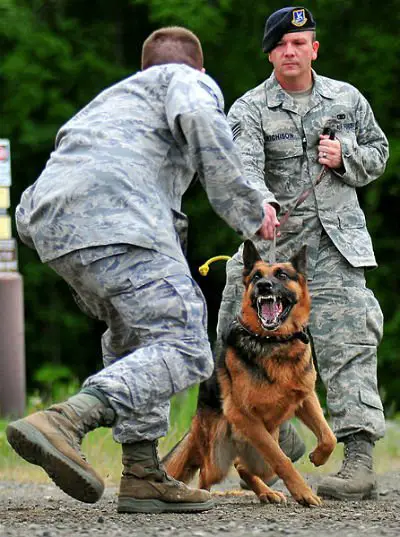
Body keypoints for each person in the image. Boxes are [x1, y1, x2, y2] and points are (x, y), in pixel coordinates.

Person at [6, 27, 276, 514]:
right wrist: (252, 211)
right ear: (201, 70)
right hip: (116, 217)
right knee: (185, 342)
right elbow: (199, 115)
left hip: (48, 224)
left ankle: (143, 473)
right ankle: (67, 420)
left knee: (141, 336)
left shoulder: (110, 102)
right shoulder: (186, 80)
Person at [216, 6, 388, 501]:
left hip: (334, 246)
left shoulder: (346, 99)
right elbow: (241, 164)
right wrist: (261, 199)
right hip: (274, 244)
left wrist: (346, 158)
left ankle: (358, 459)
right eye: (281, 45)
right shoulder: (250, 108)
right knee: (231, 327)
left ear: (314, 49)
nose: (290, 52)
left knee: (351, 338)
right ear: (270, 53)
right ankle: (279, 439)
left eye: (300, 43)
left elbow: (379, 152)